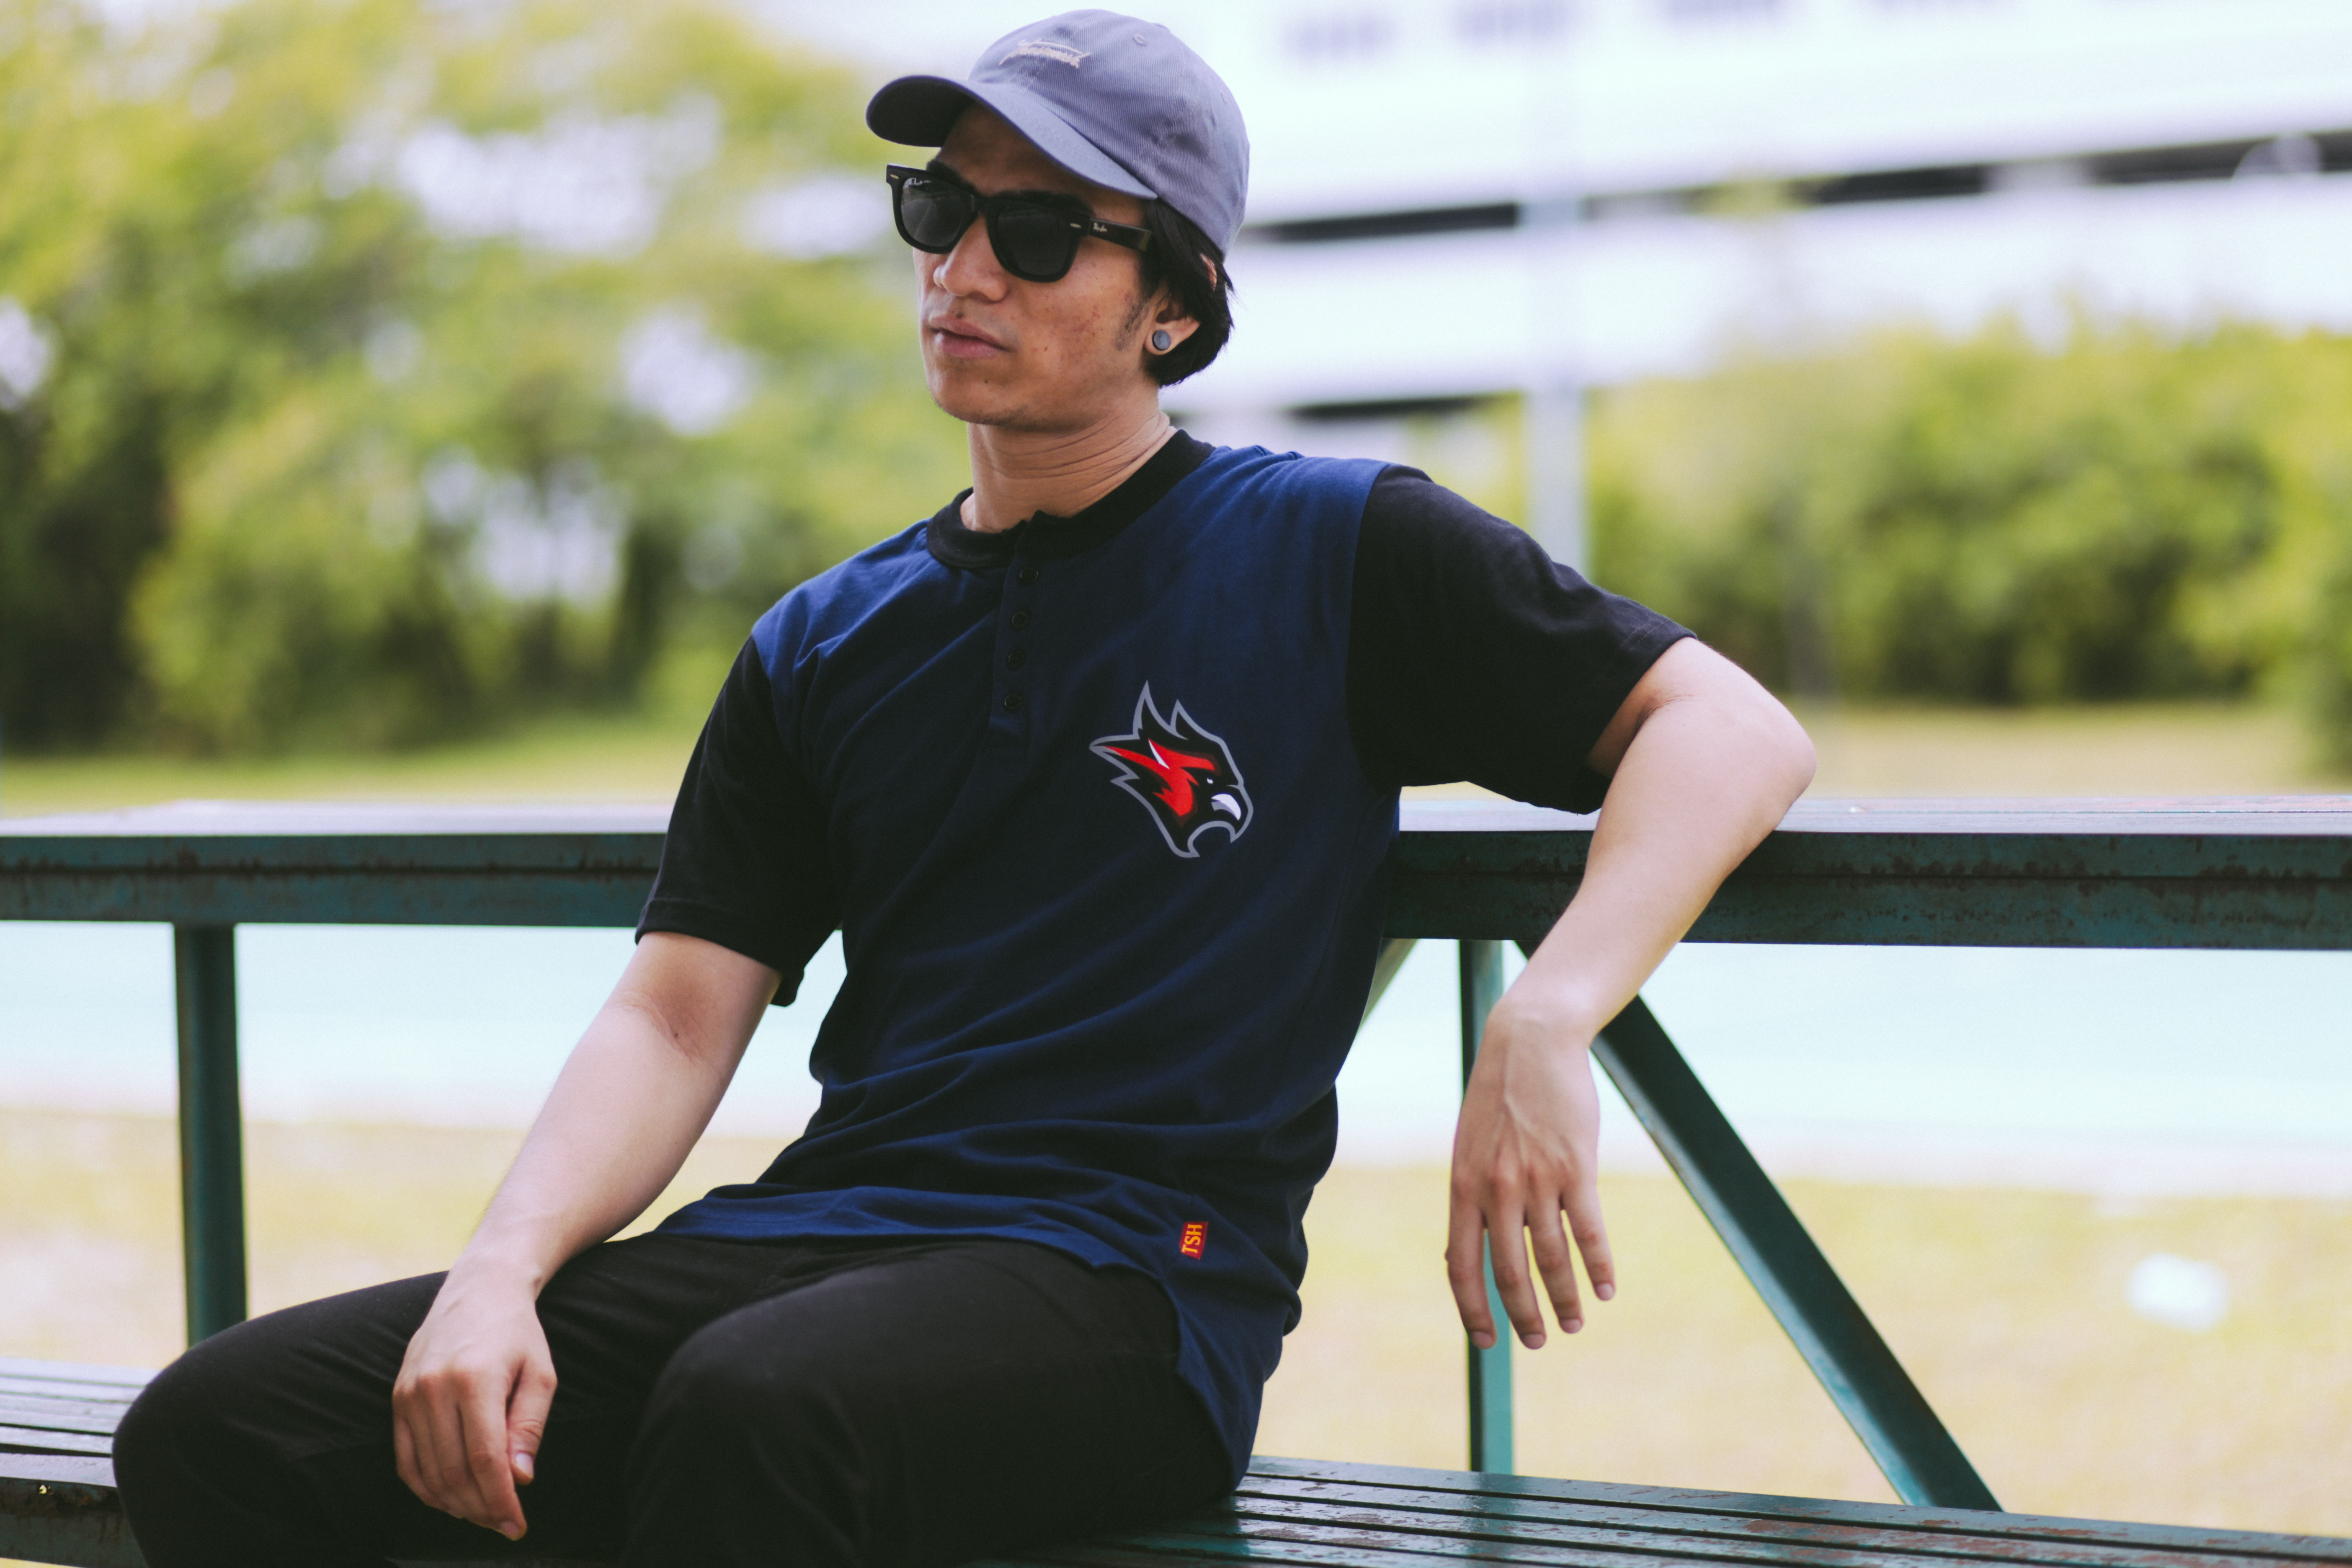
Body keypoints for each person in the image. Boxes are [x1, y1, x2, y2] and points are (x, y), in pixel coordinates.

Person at [112, 11, 1816, 1568]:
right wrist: (499, 1276)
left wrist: (1547, 1016)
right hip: (813, 1239)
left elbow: (1727, 729)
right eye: (943, 210)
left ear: (1175, 302)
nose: (966, 268)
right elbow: (678, 1016)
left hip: (1136, 1286)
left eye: (1041, 231)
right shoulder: (826, 640)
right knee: (222, 1430)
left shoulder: (1336, 549)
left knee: (758, 1414)